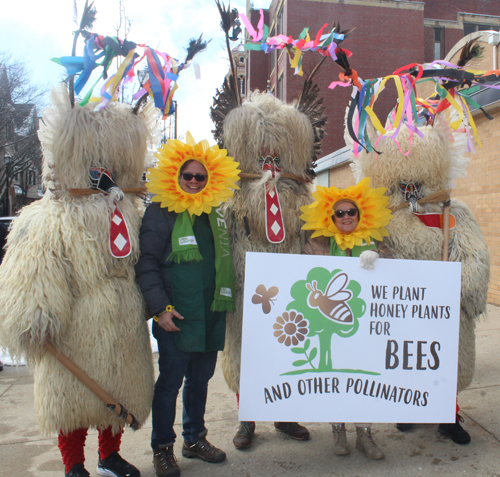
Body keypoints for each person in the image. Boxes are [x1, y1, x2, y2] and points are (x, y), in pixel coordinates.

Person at [136, 134, 239, 477]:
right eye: (188, 175)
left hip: (209, 314)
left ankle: (194, 439)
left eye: (201, 177)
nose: (194, 181)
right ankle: (162, 447)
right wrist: (159, 308)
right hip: (175, 317)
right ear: (175, 176)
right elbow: (146, 264)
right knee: (169, 384)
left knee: (200, 381)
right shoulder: (159, 212)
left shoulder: (215, 214)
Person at [301, 178, 393, 460]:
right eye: (339, 213)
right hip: (327, 325)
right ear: (331, 216)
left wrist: (378, 254)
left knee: (363, 375)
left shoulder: (375, 237)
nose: (345, 217)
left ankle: (364, 433)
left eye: (351, 212)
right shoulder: (317, 241)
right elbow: (303, 272)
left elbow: (395, 264)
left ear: (360, 214)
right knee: (334, 374)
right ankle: (338, 429)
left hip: (364, 324)